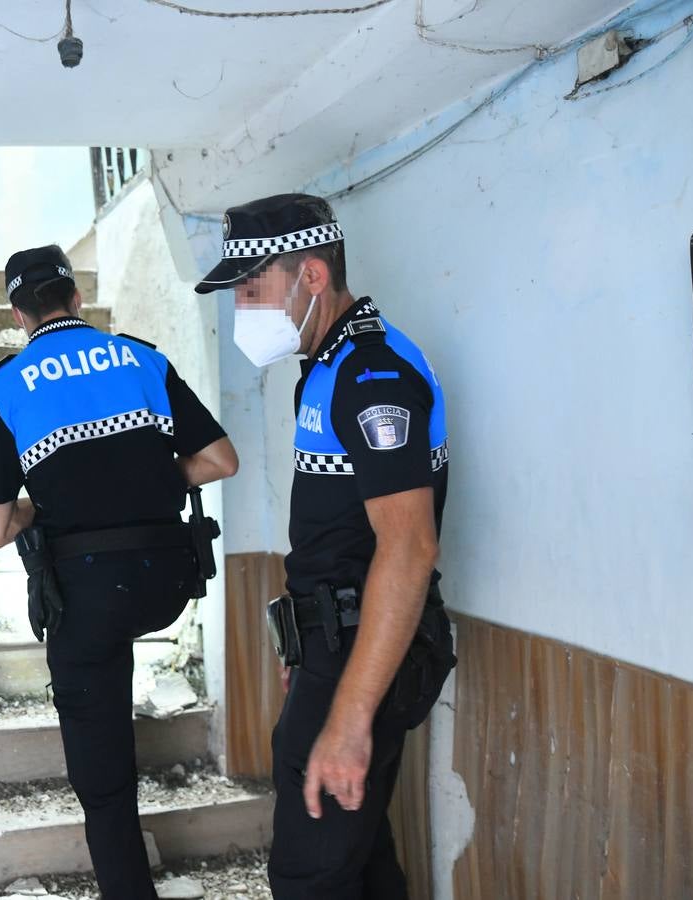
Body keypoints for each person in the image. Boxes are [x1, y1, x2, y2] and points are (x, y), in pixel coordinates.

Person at [194, 194, 456, 899]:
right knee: (360, 860)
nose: (243, 306)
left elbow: (408, 549)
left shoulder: (373, 375)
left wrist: (348, 716)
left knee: (310, 876)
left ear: (311, 276)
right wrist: (304, 643)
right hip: (332, 646)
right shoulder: (328, 363)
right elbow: (336, 535)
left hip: (358, 657)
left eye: (252, 288)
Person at [0, 244, 239, 899]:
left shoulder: (3, 386)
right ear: (76, 298)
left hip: (85, 594)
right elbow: (220, 459)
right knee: (115, 626)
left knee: (101, 763)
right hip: (164, 582)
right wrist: (149, 484)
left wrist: (54, 502)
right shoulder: (144, 358)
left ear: (17, 315)